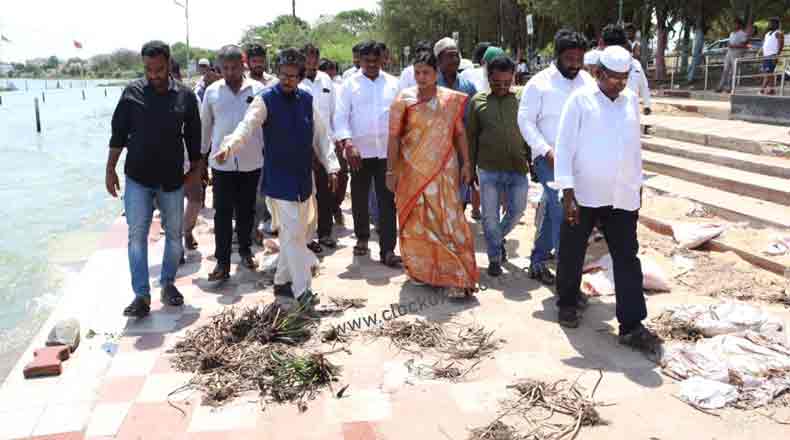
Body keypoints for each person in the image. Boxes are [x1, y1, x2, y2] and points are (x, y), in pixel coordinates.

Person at [553, 45, 661, 355]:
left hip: (621, 196)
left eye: (625, 78)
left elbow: (633, 148)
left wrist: (637, 186)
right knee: (573, 252)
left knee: (627, 257)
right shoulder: (580, 101)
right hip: (584, 194)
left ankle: (631, 325)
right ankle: (568, 303)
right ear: (599, 73)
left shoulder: (629, 101)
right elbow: (564, 148)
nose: (620, 84)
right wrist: (568, 193)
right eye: (613, 78)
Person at [215, 48, 340, 307]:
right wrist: (230, 146)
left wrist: (332, 166)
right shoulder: (265, 100)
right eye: (283, 75)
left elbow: (322, 136)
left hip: (304, 182)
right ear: (278, 72)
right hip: (279, 182)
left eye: (293, 76)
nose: (287, 80)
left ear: (300, 76)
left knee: (297, 234)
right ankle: (302, 289)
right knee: (294, 236)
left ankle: (282, 281)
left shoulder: (307, 100)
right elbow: (246, 125)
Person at [106, 40, 202, 318]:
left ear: (168, 64)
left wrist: (196, 170)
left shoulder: (185, 96)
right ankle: (141, 295)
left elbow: (194, 136)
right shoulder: (131, 92)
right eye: (148, 69)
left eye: (159, 69)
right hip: (137, 176)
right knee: (137, 236)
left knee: (173, 235)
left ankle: (168, 284)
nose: (154, 74)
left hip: (172, 178)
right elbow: (118, 134)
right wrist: (110, 168)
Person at [387, 51, 479, 297]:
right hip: (411, 170)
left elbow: (459, 133)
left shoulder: (450, 100)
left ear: (436, 72)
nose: (421, 77)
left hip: (444, 170)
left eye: (426, 72)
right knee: (416, 222)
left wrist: (467, 163)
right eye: (417, 72)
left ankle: (457, 276)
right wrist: (390, 170)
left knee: (447, 220)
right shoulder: (404, 100)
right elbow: (394, 137)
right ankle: (421, 271)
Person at [518, 29, 594, 286]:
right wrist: (545, 150)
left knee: (556, 209)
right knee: (560, 207)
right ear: (558, 56)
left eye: (578, 59)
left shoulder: (587, 82)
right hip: (547, 157)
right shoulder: (538, 83)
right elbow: (525, 122)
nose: (574, 65)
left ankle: (538, 260)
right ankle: (566, 273)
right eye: (569, 59)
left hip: (580, 159)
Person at [334, 40, 402, 267]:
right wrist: (347, 143)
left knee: (387, 202)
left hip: (386, 153)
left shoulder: (394, 84)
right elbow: (340, 118)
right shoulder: (348, 85)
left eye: (376, 60)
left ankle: (388, 250)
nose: (372, 64)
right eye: (367, 61)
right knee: (360, 197)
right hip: (358, 153)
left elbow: (403, 116)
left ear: (383, 59)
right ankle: (362, 237)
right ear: (359, 61)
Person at [200, 45, 264, 282]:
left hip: (251, 161)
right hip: (222, 164)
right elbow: (205, 127)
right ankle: (222, 261)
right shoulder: (212, 92)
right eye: (225, 68)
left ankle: (246, 251)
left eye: (234, 67)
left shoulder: (258, 90)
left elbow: (264, 125)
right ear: (220, 68)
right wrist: (201, 161)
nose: (230, 72)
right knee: (223, 213)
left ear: (243, 65)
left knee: (247, 210)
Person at [468, 56, 530, 277]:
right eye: (496, 83)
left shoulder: (522, 100)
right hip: (488, 169)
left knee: (517, 211)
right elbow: (471, 138)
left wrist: (531, 159)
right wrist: (469, 170)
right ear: (488, 78)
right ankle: (494, 256)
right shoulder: (477, 101)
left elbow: (529, 132)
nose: (502, 87)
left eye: (507, 82)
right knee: (490, 217)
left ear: (513, 78)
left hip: (518, 167)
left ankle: (497, 239)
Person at [435, 37, 480, 220]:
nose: (454, 60)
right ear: (438, 60)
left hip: (462, 149)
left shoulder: (467, 86)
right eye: (449, 56)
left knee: (462, 189)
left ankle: (455, 225)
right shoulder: (431, 86)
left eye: (456, 56)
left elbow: (475, 117)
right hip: (438, 150)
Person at [301, 44, 339, 251]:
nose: (312, 61)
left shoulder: (326, 80)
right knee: (307, 194)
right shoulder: (296, 82)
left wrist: (332, 143)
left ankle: (325, 232)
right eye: (308, 58)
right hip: (303, 146)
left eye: (315, 57)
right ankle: (307, 237)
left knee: (325, 192)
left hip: (325, 144)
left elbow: (333, 112)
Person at [245, 43, 278, 244]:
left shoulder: (273, 82)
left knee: (269, 185)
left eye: (260, 60)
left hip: (271, 141)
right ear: (248, 62)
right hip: (249, 142)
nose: (257, 64)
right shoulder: (243, 82)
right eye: (254, 60)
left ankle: (269, 222)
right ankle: (250, 228)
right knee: (253, 188)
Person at [602, 25, 652, 115]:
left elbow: (644, 86)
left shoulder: (636, 64)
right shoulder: (600, 65)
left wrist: (647, 105)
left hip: (630, 111)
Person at [717, 17, 751, 93]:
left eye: (735, 24)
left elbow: (745, 45)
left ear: (739, 24)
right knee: (725, 70)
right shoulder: (732, 33)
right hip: (729, 53)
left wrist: (734, 46)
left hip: (736, 54)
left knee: (733, 72)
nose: (734, 25)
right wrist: (729, 44)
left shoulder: (742, 34)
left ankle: (730, 87)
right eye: (733, 24)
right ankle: (720, 86)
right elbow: (730, 43)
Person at [759, 18, 784, 95]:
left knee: (768, 72)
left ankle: (763, 89)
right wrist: (761, 52)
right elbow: (765, 44)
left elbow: (781, 44)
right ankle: (770, 89)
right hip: (766, 55)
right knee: (768, 72)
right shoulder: (767, 33)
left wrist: (777, 55)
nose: (769, 25)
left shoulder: (778, 33)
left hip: (772, 55)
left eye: (771, 23)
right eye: (769, 23)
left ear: (776, 24)